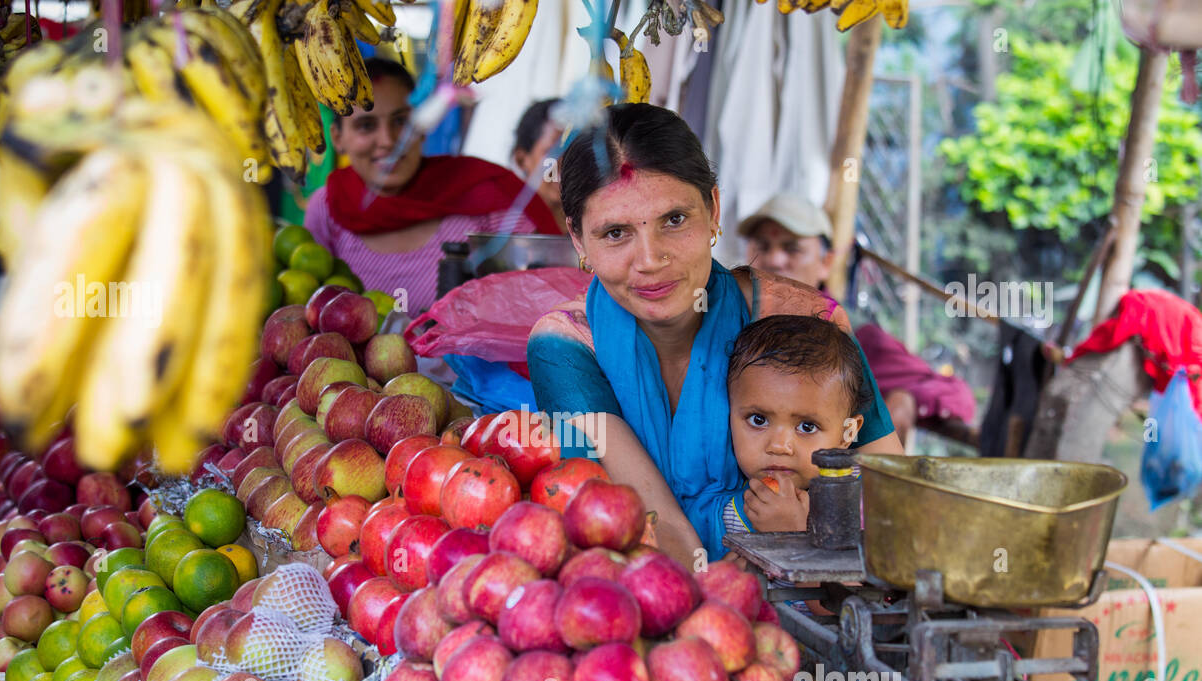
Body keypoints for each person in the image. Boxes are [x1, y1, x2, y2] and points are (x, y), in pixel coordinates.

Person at [526, 104, 902, 566]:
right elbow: (654, 521)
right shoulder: (565, 345)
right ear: (580, 242)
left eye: (675, 220)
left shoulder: (810, 321)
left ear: (713, 209)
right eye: (616, 233)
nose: (650, 259)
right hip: (656, 600)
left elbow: (890, 499)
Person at [303, 59, 562, 318]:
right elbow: (313, 311)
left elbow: (549, 293)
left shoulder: (483, 190)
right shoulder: (328, 207)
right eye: (366, 126)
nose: (388, 141)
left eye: (401, 121)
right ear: (337, 137)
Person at [738, 193, 976, 445]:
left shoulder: (852, 334)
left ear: (826, 262)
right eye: (762, 247)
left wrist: (906, 399)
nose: (774, 260)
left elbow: (957, 395)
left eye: (792, 248)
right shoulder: (726, 320)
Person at [722, 315, 873, 534]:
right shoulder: (737, 514)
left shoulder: (864, 498)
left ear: (847, 433)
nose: (779, 446)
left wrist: (795, 533)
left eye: (807, 426)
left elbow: (873, 566)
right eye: (758, 420)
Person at [511, 99, 566, 231]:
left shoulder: (589, 228)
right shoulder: (503, 228)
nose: (565, 163)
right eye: (553, 152)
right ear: (522, 160)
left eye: (574, 151)